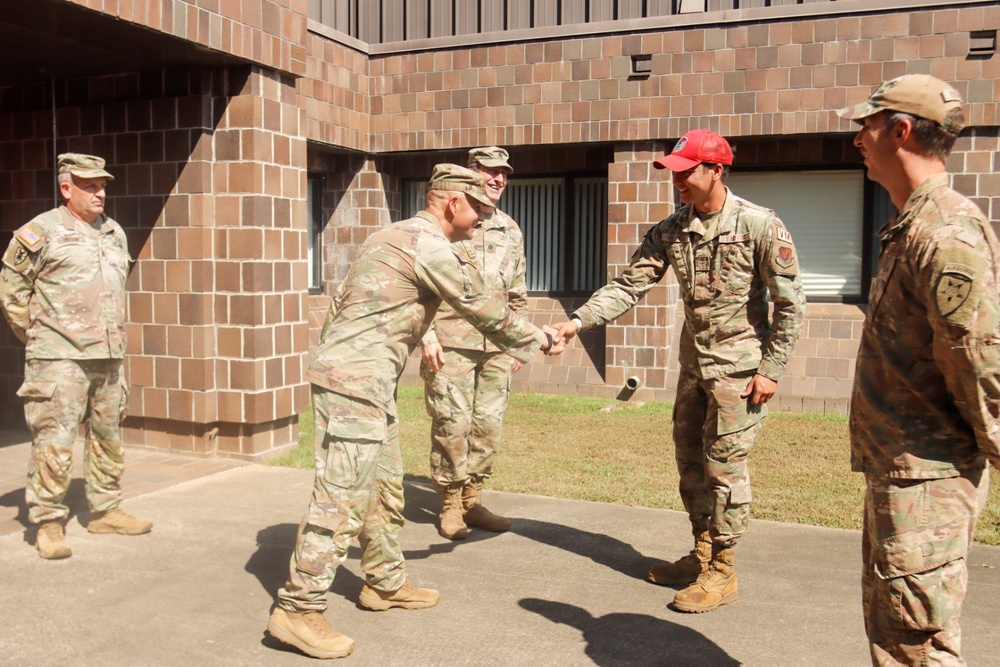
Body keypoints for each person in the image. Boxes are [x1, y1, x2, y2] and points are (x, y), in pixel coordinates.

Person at [267, 164, 562, 660]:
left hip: (366, 379)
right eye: (477, 208)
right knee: (341, 497)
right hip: (356, 383)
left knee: (384, 486)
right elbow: (477, 304)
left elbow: (339, 304)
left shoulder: (393, 234)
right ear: (453, 203)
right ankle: (298, 608)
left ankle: (383, 582)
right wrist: (542, 338)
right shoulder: (428, 243)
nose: (482, 219)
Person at [550, 129, 806, 613]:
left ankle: (724, 571)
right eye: (675, 172)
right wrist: (577, 321)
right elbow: (628, 285)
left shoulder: (758, 224)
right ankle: (703, 552)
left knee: (724, 470)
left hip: (739, 373)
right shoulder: (671, 229)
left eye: (687, 171)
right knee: (690, 463)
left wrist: (771, 368)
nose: (679, 180)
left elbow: (790, 305)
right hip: (694, 370)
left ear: (716, 170)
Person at [836, 74, 1000, 666]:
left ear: (901, 130)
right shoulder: (911, 224)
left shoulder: (944, 231)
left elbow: (978, 357)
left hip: (929, 479)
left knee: (917, 643)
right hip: (905, 471)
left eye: (867, 125)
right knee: (898, 633)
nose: (859, 138)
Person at [0, 153, 152, 560]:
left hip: (109, 356)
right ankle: (48, 522)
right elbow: (12, 290)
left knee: (108, 437)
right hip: (58, 359)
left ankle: (106, 510)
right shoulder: (41, 231)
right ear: (66, 189)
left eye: (102, 186)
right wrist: (41, 337)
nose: (99, 193)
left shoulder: (113, 232)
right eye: (90, 186)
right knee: (54, 441)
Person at [420, 146, 525, 540]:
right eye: (489, 171)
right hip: (451, 343)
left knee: (487, 426)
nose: (497, 179)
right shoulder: (447, 222)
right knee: (452, 424)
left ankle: (473, 500)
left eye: (503, 173)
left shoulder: (510, 228)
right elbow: (420, 286)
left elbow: (517, 289)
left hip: (496, 345)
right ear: (471, 173)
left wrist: (517, 341)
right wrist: (427, 336)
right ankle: (450, 502)